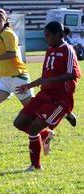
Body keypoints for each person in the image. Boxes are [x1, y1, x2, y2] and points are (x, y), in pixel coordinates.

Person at [0, 9, 76, 151]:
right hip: (4, 79)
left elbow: (12, 53)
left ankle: (65, 113)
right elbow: (3, 55)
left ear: (5, 21)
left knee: (33, 113)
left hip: (18, 78)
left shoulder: (8, 34)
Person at [13, 21, 81, 171]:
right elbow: (45, 76)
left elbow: (72, 74)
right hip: (44, 95)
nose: (46, 38)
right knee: (19, 122)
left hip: (60, 100)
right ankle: (46, 135)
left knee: (33, 128)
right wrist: (28, 86)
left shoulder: (68, 50)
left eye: (48, 35)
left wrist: (51, 80)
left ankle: (35, 166)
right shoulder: (49, 50)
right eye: (45, 35)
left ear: (60, 34)